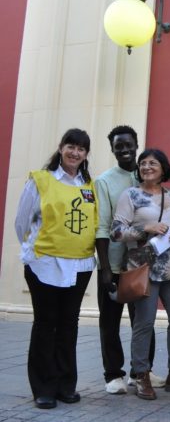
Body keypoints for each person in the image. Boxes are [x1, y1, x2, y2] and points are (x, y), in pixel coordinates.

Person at [15, 128, 97, 409]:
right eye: (71, 146)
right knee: (46, 325)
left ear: (86, 154)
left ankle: (65, 384)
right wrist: (31, 255)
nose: (75, 153)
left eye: (81, 149)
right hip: (46, 265)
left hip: (80, 266)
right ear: (61, 147)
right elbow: (22, 222)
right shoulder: (42, 180)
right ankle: (43, 387)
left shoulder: (89, 185)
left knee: (68, 325)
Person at [111, 149, 170, 400]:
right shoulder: (131, 195)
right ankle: (140, 374)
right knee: (145, 323)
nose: (147, 166)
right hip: (144, 267)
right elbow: (116, 231)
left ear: (163, 168)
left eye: (153, 163)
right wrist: (145, 227)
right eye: (143, 163)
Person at [94, 125, 164, 395]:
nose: (124, 149)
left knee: (143, 320)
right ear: (112, 149)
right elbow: (101, 227)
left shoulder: (146, 175)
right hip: (113, 263)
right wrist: (104, 269)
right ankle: (113, 374)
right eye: (118, 146)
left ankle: (141, 371)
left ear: (136, 145)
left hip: (142, 263)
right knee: (110, 321)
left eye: (129, 145)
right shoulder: (104, 181)